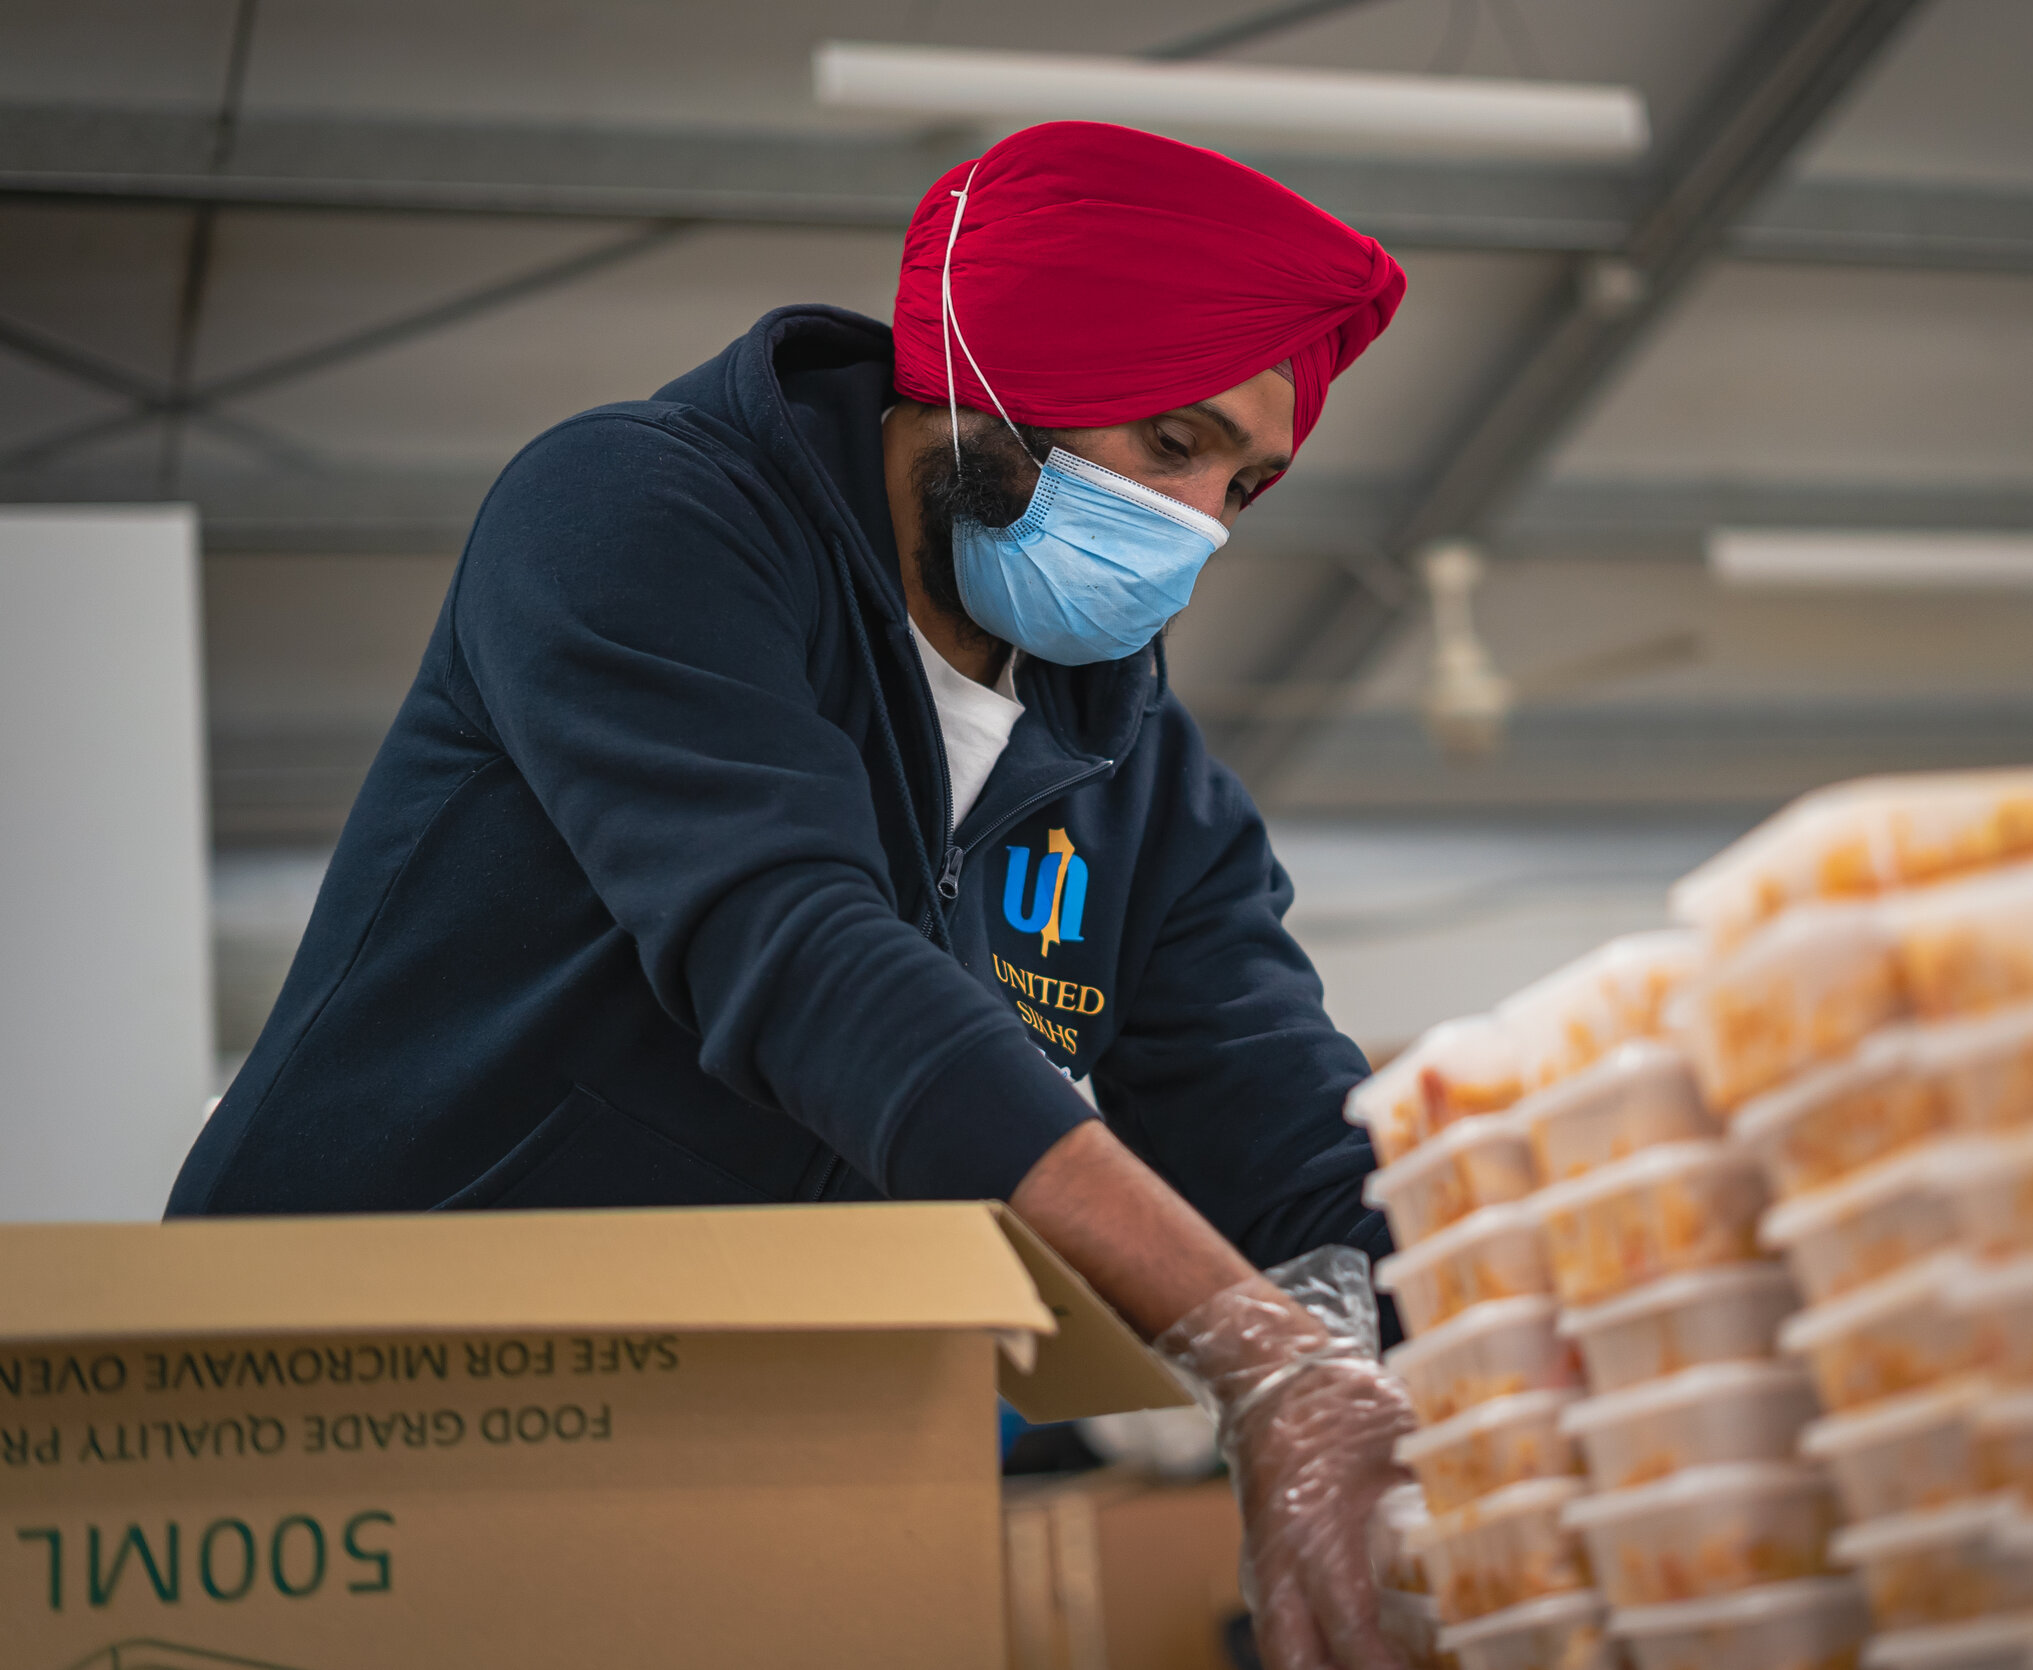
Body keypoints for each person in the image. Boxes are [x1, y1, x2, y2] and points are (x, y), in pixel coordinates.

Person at [170, 121, 1419, 1669]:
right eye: (1172, 443)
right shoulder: (639, 516)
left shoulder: (1130, 771)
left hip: (759, 1449)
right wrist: (1257, 1357)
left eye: (1249, 483)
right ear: (984, 365)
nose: (1203, 527)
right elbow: (805, 955)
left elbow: (1285, 1121)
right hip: (365, 1408)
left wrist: (1444, 1378)